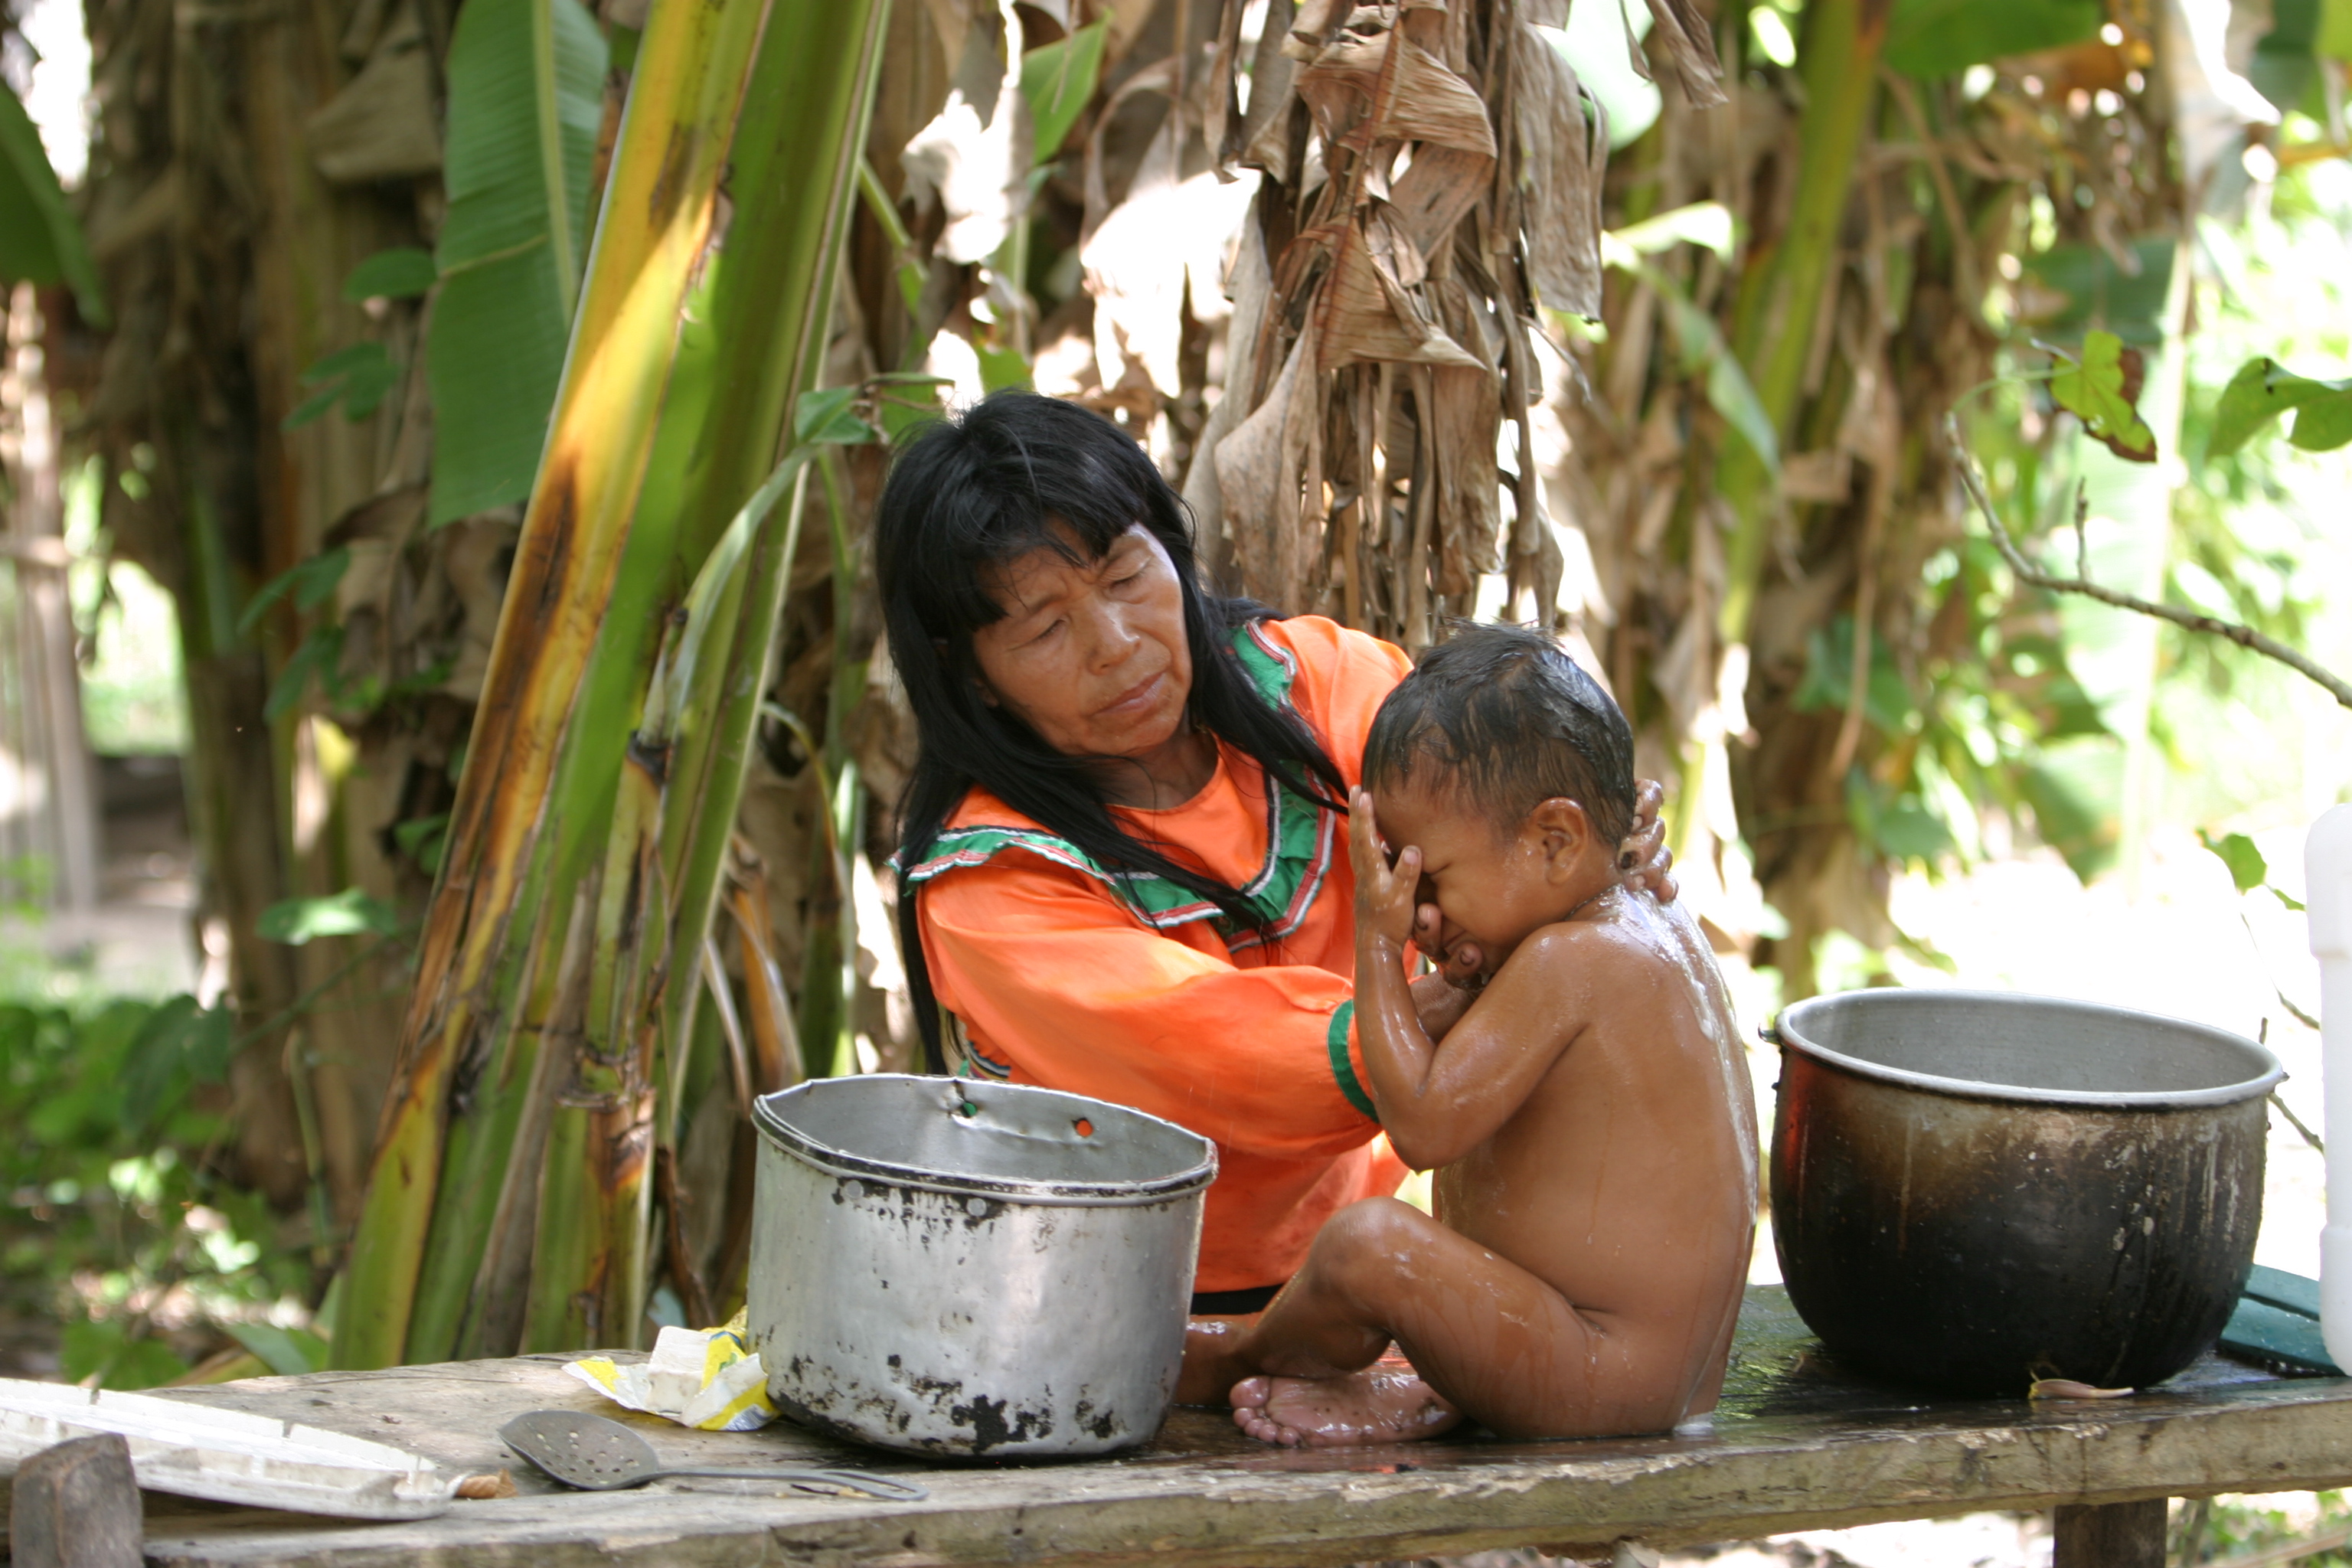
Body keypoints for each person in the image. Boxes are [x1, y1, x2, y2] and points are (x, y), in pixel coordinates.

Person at [875, 391, 1676, 1313]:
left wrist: (1595, 857)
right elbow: (1219, 1053)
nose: (1116, 644)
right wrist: (1487, 981)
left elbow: (1509, 840)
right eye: (1046, 627)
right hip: (1115, 1308)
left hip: (1370, 1267)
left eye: (1128, 576)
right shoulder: (992, 882)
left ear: (1173, 553)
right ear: (969, 673)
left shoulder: (1326, 684)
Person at [1177, 626, 1756, 1446]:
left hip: (1600, 1377)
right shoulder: (1642, 915)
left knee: (1369, 1246)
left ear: (1554, 842)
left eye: (1429, 880)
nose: (1420, 914)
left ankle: (1233, 1357)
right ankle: (1446, 1387)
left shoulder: (1571, 958)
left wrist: (1377, 942)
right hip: (1636, 1369)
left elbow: (1419, 1125)